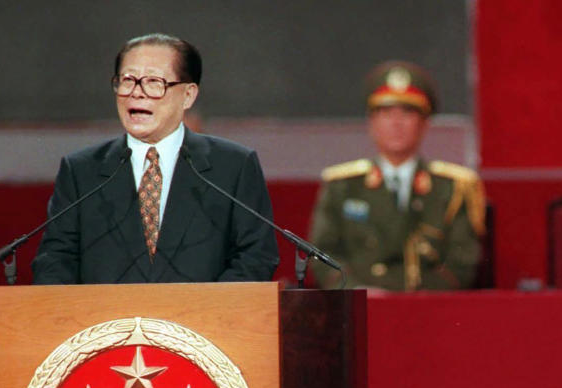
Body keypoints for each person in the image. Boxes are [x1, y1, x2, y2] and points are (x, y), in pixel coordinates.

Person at [32, 33, 278, 284]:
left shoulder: (233, 166)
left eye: (153, 81)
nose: (136, 93)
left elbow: (255, 257)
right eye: (128, 80)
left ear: (188, 95)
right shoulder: (82, 171)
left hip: (203, 320)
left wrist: (202, 313)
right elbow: (55, 260)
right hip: (107, 322)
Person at [309, 61, 485, 290]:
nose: (396, 123)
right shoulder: (342, 186)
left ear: (425, 123)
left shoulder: (453, 188)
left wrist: (409, 302)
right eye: (385, 113)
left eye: (407, 113)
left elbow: (462, 264)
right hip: (359, 309)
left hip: (427, 311)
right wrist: (357, 292)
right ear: (371, 122)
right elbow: (323, 255)